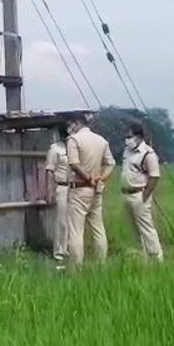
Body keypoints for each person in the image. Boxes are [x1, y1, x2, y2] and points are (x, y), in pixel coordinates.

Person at [65, 113, 116, 265]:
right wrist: (101, 178)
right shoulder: (101, 140)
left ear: (76, 123)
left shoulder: (74, 140)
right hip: (96, 190)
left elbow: (74, 164)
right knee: (98, 229)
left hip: (79, 189)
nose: (70, 128)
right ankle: (101, 264)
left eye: (70, 124)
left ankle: (76, 268)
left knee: (76, 232)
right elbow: (111, 163)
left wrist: (88, 178)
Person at [120, 123, 164, 261]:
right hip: (127, 193)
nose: (127, 140)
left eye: (129, 136)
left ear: (138, 137)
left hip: (139, 194)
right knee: (135, 229)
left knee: (146, 228)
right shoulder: (127, 151)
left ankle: (156, 257)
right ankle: (144, 256)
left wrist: (145, 196)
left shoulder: (148, 153)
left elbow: (154, 176)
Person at [45, 127, 70, 261]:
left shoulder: (75, 148)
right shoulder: (55, 149)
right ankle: (59, 252)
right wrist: (50, 192)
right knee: (61, 221)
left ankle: (70, 249)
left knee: (73, 220)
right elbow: (50, 171)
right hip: (61, 187)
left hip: (75, 188)